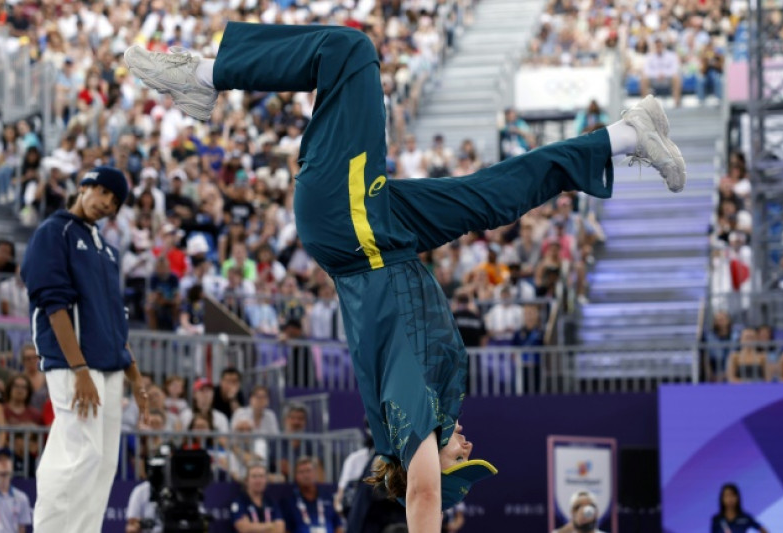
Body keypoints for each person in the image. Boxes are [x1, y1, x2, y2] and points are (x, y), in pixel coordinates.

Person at [126, 24, 685, 530]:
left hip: (352, 230)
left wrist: (430, 493)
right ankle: (627, 135)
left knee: (350, 50)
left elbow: (421, 496)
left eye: (462, 459)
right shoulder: (432, 399)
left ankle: (201, 75)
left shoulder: (411, 417)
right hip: (384, 239)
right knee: (496, 196)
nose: (469, 445)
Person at [20, 166, 149, 532]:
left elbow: (115, 318)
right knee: (80, 453)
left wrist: (136, 378)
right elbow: (53, 304)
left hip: (109, 367)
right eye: (103, 192)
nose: (107, 203)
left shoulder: (107, 249)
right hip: (73, 364)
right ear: (84, 187)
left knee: (104, 462)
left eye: (114, 201)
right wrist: (79, 371)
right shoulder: (53, 232)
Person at [280, 456, 344, 533]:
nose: (306, 475)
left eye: (308, 471)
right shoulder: (289, 502)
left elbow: (338, 527)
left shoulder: (329, 498)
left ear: (315, 473)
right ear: (295, 476)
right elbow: (286, 530)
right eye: (301, 472)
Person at [231, 461, 286, 533]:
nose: (258, 480)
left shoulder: (271, 502)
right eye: (254, 476)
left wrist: (255, 527)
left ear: (266, 480)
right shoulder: (238, 502)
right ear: (246, 480)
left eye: (261, 476)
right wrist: (271, 526)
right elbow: (245, 528)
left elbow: (280, 529)